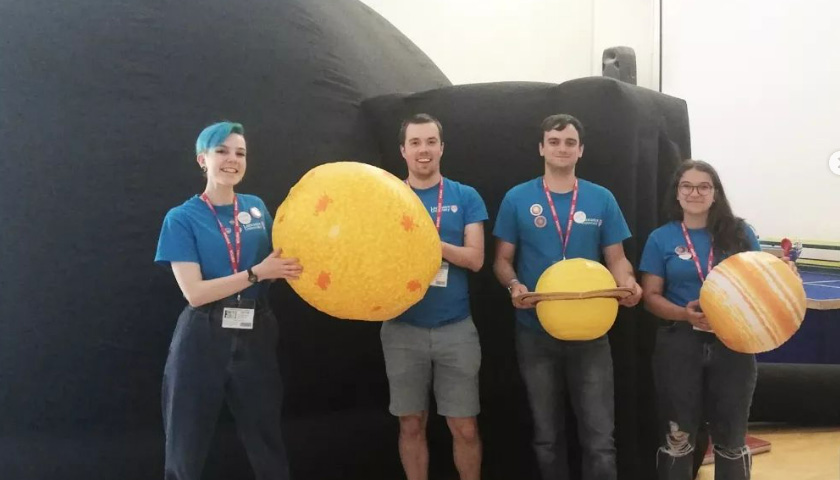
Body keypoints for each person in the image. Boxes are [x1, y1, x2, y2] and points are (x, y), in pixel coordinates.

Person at [492, 114, 642, 480]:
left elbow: (617, 258)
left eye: (570, 143)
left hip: (591, 334)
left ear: (581, 150)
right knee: (546, 437)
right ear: (542, 147)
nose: (562, 148)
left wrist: (630, 283)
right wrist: (515, 287)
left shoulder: (601, 198)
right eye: (555, 142)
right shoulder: (518, 197)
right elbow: (502, 260)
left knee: (599, 438)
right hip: (535, 331)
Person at [155, 121, 302, 480]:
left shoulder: (256, 208)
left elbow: (285, 257)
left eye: (240, 152)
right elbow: (195, 292)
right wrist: (256, 273)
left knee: (266, 436)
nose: (232, 159)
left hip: (257, 329)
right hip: (203, 333)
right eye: (221, 151)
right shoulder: (181, 218)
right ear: (202, 159)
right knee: (185, 441)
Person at [639, 159, 781, 480]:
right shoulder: (661, 238)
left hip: (734, 344)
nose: (695, 192)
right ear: (676, 193)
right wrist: (685, 315)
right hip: (679, 343)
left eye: (704, 186)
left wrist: (784, 277)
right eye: (686, 186)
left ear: (715, 193)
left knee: (731, 438)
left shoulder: (740, 234)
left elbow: (763, 284)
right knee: (678, 437)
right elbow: (650, 297)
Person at [380, 113, 488, 480]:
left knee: (465, 427)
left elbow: (475, 259)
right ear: (403, 151)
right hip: (401, 328)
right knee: (411, 424)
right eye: (415, 143)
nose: (423, 150)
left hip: (455, 329)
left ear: (441, 147)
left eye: (430, 142)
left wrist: (431, 244)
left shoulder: (465, 196)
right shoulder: (385, 198)